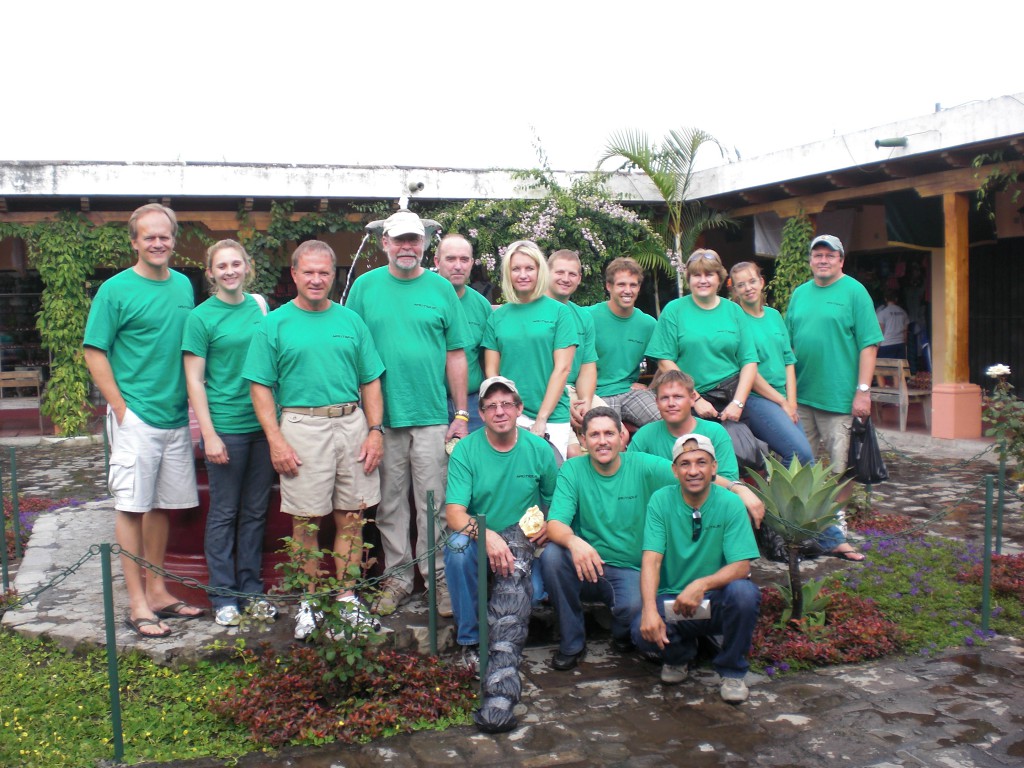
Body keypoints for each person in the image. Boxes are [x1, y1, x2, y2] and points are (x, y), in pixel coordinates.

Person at [243, 240, 385, 639]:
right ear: (294, 275)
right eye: (309, 272)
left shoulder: (351, 321)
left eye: (324, 272)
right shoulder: (274, 324)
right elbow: (260, 386)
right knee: (306, 519)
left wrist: (375, 431)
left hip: (350, 420)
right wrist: (275, 438)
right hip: (302, 426)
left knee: (353, 517)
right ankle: (309, 600)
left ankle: (346, 598)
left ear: (334, 276)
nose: (317, 279)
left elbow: (371, 379)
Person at [83, 203, 204, 638]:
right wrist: (119, 407)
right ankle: (136, 602)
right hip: (136, 416)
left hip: (174, 416)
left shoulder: (183, 288)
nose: (158, 243)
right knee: (132, 508)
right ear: (134, 241)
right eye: (149, 236)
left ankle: (158, 590)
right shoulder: (115, 291)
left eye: (165, 236)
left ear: (174, 240)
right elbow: (94, 350)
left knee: (161, 507)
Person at [346, 210, 470, 616]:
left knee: (434, 504)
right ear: (384, 242)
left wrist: (463, 412)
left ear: (424, 245)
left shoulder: (440, 289)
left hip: (433, 414)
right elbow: (353, 354)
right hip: (382, 420)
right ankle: (398, 580)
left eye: (413, 241)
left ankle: (438, 580)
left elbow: (455, 354)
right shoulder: (364, 288)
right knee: (390, 505)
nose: (406, 247)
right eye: (398, 240)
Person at [729, 262, 863, 560]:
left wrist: (791, 400)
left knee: (805, 465)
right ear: (734, 290)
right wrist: (780, 401)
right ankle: (797, 531)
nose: (748, 287)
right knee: (799, 456)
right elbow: (747, 369)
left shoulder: (775, 316)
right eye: (741, 284)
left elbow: (789, 361)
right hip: (757, 397)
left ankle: (820, 537)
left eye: (752, 281)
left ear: (762, 282)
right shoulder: (735, 318)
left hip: (785, 399)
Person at [182, 240, 277, 627]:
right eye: (221, 266)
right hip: (227, 427)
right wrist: (210, 433)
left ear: (247, 266)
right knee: (224, 513)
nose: (230, 271)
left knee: (255, 513)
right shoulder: (201, 318)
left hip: (262, 426)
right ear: (210, 272)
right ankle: (223, 595)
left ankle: (251, 591)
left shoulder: (260, 307)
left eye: (236, 263)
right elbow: (195, 379)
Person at [540, 406, 676, 670]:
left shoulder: (643, 464)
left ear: (622, 435)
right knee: (552, 557)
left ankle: (621, 632)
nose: (602, 441)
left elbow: (692, 475)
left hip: (630, 568)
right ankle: (572, 642)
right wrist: (574, 542)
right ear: (583, 440)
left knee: (633, 609)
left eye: (608, 433)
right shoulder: (573, 470)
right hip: (587, 566)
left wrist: (738, 488)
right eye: (594, 435)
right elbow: (555, 524)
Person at [633, 433, 761, 702]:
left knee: (744, 594)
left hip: (716, 600)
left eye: (701, 462)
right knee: (640, 630)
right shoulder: (660, 500)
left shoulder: (730, 503)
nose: (693, 471)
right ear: (674, 470)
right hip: (674, 600)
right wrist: (648, 610)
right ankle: (680, 655)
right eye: (685, 463)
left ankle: (732, 671)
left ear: (714, 468)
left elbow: (741, 566)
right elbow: (652, 559)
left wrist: (701, 585)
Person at [444, 376, 557, 671]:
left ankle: (501, 631)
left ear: (519, 409)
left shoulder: (539, 449)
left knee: (532, 596)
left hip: (524, 543)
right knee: (456, 548)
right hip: (480, 539)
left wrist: (550, 524)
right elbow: (454, 514)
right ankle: (470, 640)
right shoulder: (466, 451)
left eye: (507, 404)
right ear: (480, 413)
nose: (500, 411)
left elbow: (557, 502)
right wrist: (488, 536)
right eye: (491, 406)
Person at [786, 235, 883, 503]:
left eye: (830, 255)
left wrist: (863, 390)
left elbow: (869, 344)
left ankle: (837, 526)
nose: (823, 260)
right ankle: (802, 526)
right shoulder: (800, 294)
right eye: (817, 255)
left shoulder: (854, 292)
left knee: (841, 469)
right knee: (798, 467)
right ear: (810, 260)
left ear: (841, 260)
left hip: (839, 399)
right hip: (801, 398)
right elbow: (788, 345)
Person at [628, 369, 764, 528]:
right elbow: (630, 478)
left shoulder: (715, 432)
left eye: (678, 397)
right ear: (656, 402)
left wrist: (737, 489)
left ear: (692, 398)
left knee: (738, 507)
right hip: (660, 513)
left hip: (707, 508)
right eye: (665, 398)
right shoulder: (645, 435)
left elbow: (728, 481)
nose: (671, 403)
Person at [482, 240, 578, 460]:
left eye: (529, 268)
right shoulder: (497, 317)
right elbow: (492, 373)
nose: (523, 275)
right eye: (516, 269)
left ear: (540, 271)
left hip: (551, 417)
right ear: (508, 273)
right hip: (509, 414)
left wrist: (542, 419)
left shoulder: (559, 313)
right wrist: (507, 410)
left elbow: (562, 369)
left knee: (549, 484)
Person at [589, 257, 659, 427]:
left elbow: (667, 360)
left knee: (664, 422)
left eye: (633, 285)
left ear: (639, 288)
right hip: (597, 394)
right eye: (621, 284)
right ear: (609, 286)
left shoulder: (648, 324)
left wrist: (651, 387)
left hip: (630, 392)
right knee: (609, 433)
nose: (627, 290)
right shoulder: (588, 317)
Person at [434, 234, 492, 433]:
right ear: (437, 262)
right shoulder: (424, 299)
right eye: (450, 259)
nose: (458, 266)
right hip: (432, 404)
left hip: (473, 405)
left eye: (464, 259)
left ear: (472, 263)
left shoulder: (481, 305)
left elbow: (486, 359)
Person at [546, 249, 598, 458]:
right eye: (560, 272)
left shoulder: (583, 317)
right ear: (546, 273)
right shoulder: (535, 311)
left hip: (575, 390)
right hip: (544, 392)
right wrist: (564, 404)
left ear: (579, 278)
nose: (565, 279)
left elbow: (587, 366)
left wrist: (585, 400)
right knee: (573, 452)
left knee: (617, 434)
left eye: (572, 274)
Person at [876, 289, 910, 361]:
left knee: (886, 370)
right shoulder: (903, 312)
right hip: (900, 344)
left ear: (885, 299)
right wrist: (905, 345)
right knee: (899, 370)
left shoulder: (882, 313)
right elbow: (905, 331)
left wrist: (876, 347)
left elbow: (880, 331)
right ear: (896, 299)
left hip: (886, 345)